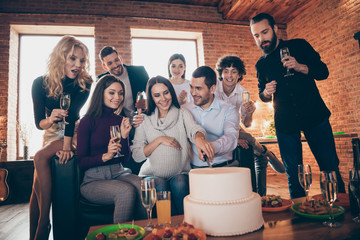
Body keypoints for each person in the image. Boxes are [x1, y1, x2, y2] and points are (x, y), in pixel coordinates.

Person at [250, 13, 345, 198]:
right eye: (256, 35)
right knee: (293, 176)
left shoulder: (299, 45)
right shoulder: (260, 65)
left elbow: (323, 72)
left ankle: (343, 211)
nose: (262, 39)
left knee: (330, 168)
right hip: (285, 124)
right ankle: (300, 218)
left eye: (265, 32)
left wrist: (301, 67)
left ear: (275, 29)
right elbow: (262, 94)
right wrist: (266, 93)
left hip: (315, 116)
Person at [30, 35, 93, 240]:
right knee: (35, 189)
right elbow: (39, 122)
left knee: (39, 157)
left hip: (73, 132)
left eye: (82, 60)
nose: (78, 65)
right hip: (50, 132)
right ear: (61, 57)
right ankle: (34, 236)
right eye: (73, 58)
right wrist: (51, 119)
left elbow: (74, 114)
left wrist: (67, 146)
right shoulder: (40, 83)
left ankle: (43, 224)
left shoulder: (85, 83)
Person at [131, 76, 213, 215]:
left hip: (179, 172)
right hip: (151, 175)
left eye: (166, 92)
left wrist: (200, 139)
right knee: (161, 185)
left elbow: (195, 129)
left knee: (180, 182)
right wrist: (160, 140)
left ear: (171, 92)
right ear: (152, 98)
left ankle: (185, 225)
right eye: (157, 95)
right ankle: (170, 228)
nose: (163, 98)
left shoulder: (182, 114)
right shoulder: (144, 120)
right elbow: (137, 155)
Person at [76, 75, 146, 223]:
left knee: (143, 186)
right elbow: (81, 162)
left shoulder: (120, 120)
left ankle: (145, 234)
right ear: (101, 93)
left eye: (120, 93)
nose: (117, 97)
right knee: (125, 192)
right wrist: (105, 156)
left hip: (118, 172)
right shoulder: (87, 121)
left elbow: (125, 158)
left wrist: (125, 137)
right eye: (112, 92)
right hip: (93, 180)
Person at [215, 55, 285, 196]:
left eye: (234, 71)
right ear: (221, 73)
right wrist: (234, 139)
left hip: (234, 127)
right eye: (226, 71)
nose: (229, 75)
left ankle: (260, 197)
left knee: (247, 138)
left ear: (239, 74)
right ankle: (266, 153)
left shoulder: (243, 92)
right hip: (218, 128)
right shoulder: (214, 88)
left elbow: (246, 124)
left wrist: (249, 113)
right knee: (247, 138)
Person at [98, 46, 149, 174]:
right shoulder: (102, 80)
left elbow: (152, 95)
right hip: (121, 125)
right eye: (110, 63)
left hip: (143, 120)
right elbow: (101, 108)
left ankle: (146, 176)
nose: (115, 65)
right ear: (104, 66)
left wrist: (144, 109)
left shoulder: (139, 71)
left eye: (116, 60)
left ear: (120, 58)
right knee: (129, 161)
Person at [184, 66, 239, 168]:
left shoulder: (229, 110)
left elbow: (231, 137)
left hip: (224, 167)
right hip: (195, 170)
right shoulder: (186, 110)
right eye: (191, 87)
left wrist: (209, 147)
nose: (193, 93)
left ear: (212, 89)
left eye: (198, 88)